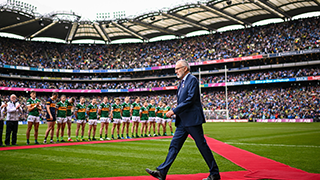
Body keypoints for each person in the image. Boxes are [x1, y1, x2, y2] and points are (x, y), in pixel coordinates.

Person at [146, 60, 220, 180]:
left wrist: (174, 111)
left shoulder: (192, 80)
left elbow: (190, 99)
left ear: (185, 68)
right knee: (174, 146)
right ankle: (162, 172)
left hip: (192, 120)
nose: (175, 71)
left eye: (177, 68)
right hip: (182, 122)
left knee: (202, 146)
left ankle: (215, 173)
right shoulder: (181, 83)